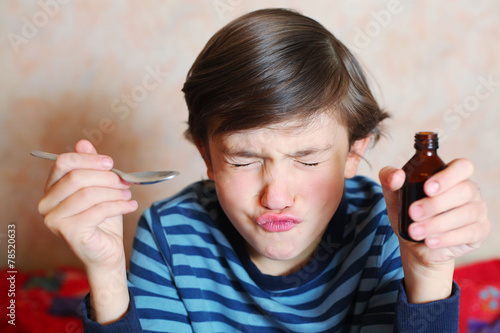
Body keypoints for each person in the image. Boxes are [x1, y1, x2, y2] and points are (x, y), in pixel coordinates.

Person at [38, 8, 490, 332]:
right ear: (206, 157)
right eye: (243, 160)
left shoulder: (385, 230)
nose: (276, 197)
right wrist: (107, 276)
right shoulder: (169, 233)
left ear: (354, 154)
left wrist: (428, 271)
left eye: (308, 160)